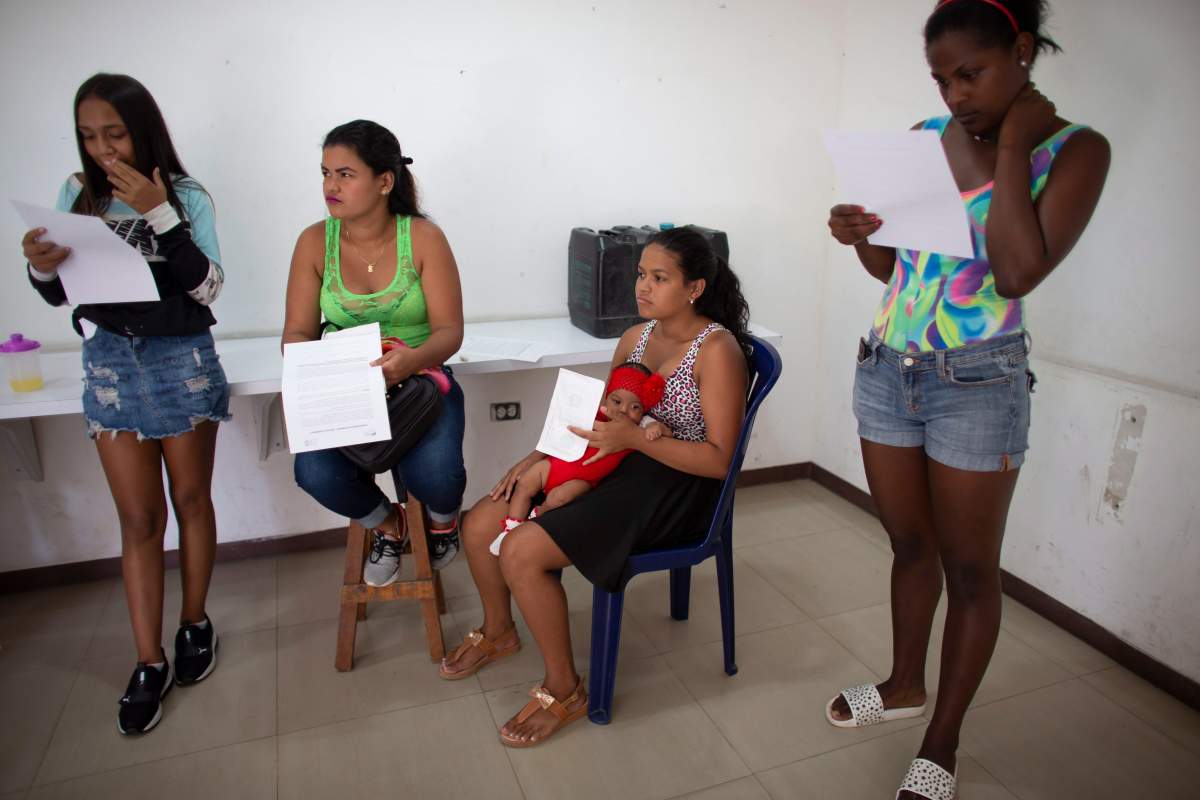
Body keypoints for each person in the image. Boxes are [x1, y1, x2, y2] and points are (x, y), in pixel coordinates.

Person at [824, 2, 1110, 797]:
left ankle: (942, 743)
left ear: (1021, 51)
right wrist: (860, 235)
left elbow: (1016, 272)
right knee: (909, 546)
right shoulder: (924, 136)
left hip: (977, 383)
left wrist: (1014, 141)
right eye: (942, 78)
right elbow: (896, 269)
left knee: (971, 569)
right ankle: (903, 684)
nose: (954, 94)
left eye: (970, 73)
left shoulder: (1074, 149)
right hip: (888, 366)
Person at [438, 226, 752, 749]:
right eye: (640, 275)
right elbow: (600, 416)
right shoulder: (637, 338)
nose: (642, 287)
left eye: (659, 277)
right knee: (479, 525)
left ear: (694, 287)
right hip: (616, 460)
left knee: (519, 551)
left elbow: (720, 462)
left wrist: (635, 439)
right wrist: (538, 457)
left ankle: (565, 689)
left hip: (677, 486)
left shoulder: (716, 351)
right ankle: (499, 631)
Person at [20, 73, 229, 734]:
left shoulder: (187, 195)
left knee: (191, 501)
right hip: (110, 360)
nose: (103, 148)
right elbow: (60, 295)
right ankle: (147, 661)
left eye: (114, 132)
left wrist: (161, 212)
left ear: (143, 130)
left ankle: (195, 623)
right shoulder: (77, 195)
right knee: (139, 517)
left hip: (182, 358)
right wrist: (40, 266)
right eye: (89, 135)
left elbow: (209, 288)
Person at [283, 119, 467, 586]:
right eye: (325, 173)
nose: (330, 185)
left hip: (421, 380)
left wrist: (411, 360)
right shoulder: (312, 243)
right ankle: (389, 525)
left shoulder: (423, 238)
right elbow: (296, 335)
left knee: (436, 478)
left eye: (345, 174)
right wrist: (329, 369)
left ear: (385, 181)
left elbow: (450, 332)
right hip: (347, 387)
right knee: (315, 473)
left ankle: (443, 523)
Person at [490, 361, 671, 555]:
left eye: (634, 406)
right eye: (616, 402)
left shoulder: (639, 425)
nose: (623, 410)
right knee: (525, 482)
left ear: (643, 410)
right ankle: (511, 527)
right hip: (554, 465)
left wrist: (655, 429)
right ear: (607, 399)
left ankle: (539, 513)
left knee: (559, 498)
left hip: (582, 480)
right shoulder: (595, 414)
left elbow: (663, 430)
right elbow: (565, 420)